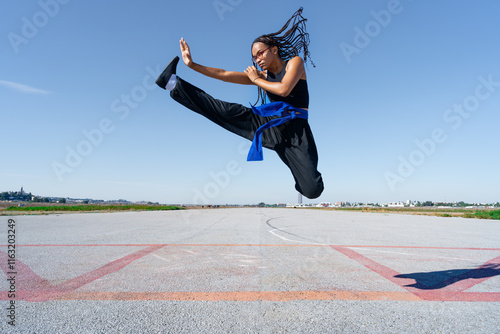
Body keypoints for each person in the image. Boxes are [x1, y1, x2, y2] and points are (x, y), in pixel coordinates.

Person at [156, 7, 324, 199]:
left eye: (260, 53)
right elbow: (223, 74)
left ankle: (302, 176)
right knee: (224, 111)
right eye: (254, 57)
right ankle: (172, 83)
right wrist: (192, 65)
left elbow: (284, 89)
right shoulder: (261, 75)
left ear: (274, 49)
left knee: (312, 190)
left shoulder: (295, 63)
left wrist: (256, 80)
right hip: (270, 124)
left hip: (297, 130)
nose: (257, 59)